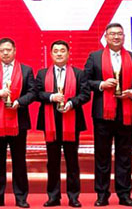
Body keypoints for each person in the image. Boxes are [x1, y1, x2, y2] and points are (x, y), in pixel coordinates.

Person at [84, 23, 132, 207]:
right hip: (102, 114)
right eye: (112, 34)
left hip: (126, 113)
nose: (116, 37)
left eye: (119, 34)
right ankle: (102, 194)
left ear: (124, 37)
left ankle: (124, 194)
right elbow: (85, 81)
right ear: (105, 37)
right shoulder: (95, 57)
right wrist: (101, 85)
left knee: (124, 156)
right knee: (102, 156)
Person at [34, 41, 90, 208]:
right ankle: (53, 196)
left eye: (62, 51)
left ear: (68, 54)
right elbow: (36, 93)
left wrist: (71, 103)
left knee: (72, 161)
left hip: (72, 120)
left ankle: (73, 197)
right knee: (52, 161)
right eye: (56, 51)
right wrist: (51, 97)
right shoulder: (42, 74)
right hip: (50, 122)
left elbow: (85, 94)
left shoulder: (79, 73)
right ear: (51, 54)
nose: (59, 54)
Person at [0, 38, 34, 208]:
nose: (5, 53)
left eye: (8, 50)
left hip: (18, 120)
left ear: (14, 51)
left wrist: (19, 102)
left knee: (19, 160)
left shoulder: (26, 70)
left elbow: (32, 92)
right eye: (2, 50)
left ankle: (21, 197)